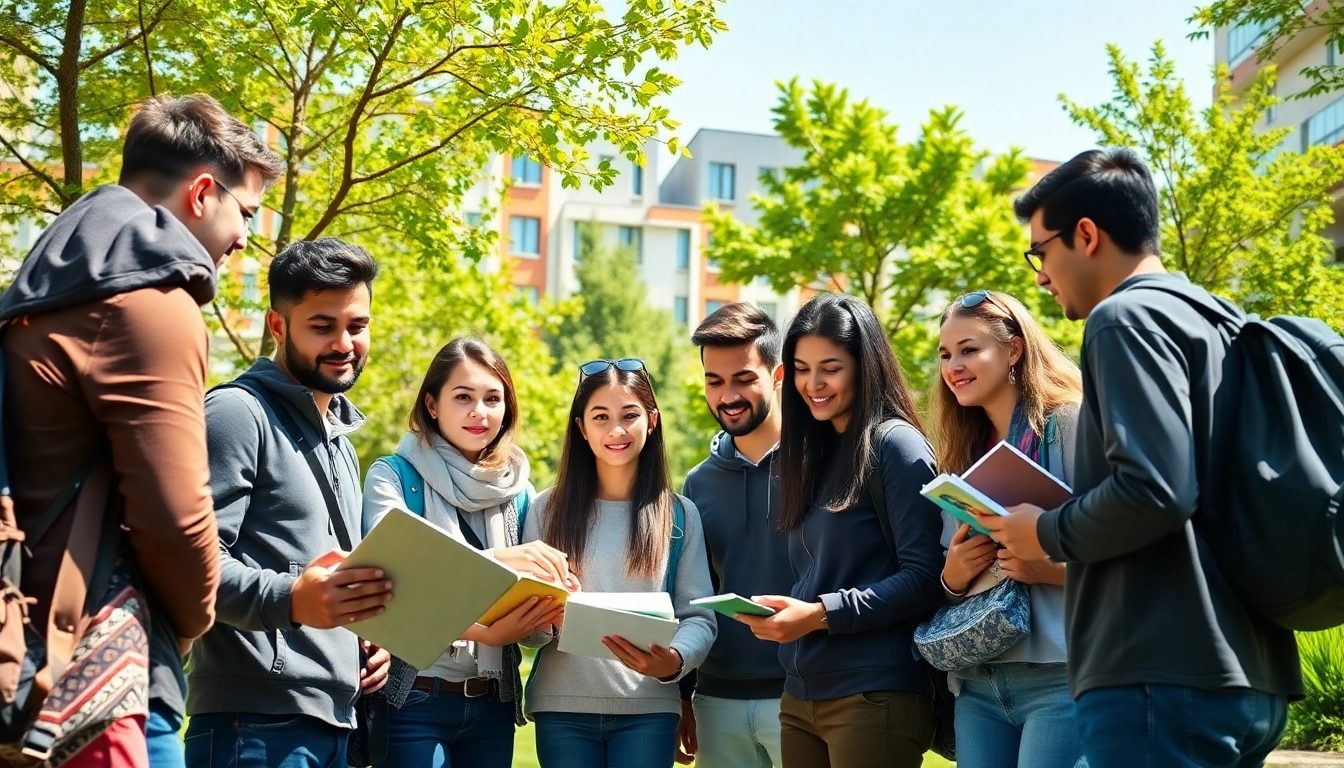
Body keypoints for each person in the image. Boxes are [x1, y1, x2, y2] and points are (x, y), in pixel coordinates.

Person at [980, 148, 1302, 768]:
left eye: (1040, 253)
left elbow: (1155, 488)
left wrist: (1041, 530)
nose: (1040, 277)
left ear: (1086, 235)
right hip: (1248, 671)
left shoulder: (1123, 318)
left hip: (1160, 675)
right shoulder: (1218, 320)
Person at [0, 94, 280, 766]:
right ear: (202, 192)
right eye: (244, 213)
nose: (244, 238)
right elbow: (177, 519)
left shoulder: (50, 285)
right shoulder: (152, 302)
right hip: (90, 672)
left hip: (22, 647)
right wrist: (190, 624)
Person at [185, 238, 393, 768]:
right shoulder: (236, 414)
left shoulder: (343, 442)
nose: (344, 342)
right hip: (251, 727)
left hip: (337, 724)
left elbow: (326, 577)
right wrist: (294, 600)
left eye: (357, 326)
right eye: (322, 326)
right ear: (278, 326)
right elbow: (194, 567)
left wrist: (363, 641)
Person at [740, 293, 944, 768]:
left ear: (864, 365)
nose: (813, 383)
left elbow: (925, 577)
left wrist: (817, 614)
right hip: (801, 694)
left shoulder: (897, 447)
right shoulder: (813, 452)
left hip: (875, 695)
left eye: (830, 367)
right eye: (801, 368)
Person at [361, 337, 574, 768]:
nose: (480, 411)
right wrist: (500, 570)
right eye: (463, 397)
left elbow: (530, 633)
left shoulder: (518, 495)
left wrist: (552, 605)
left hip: (492, 706)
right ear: (432, 404)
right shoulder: (393, 477)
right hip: (413, 700)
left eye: (493, 398)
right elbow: (393, 586)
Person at [522, 358, 717, 768]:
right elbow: (527, 627)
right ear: (581, 427)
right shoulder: (545, 510)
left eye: (629, 415)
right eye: (600, 417)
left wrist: (675, 661)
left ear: (652, 421)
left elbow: (699, 616)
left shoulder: (679, 515)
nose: (616, 430)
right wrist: (547, 618)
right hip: (563, 709)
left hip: (649, 709)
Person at [931, 289, 1084, 768]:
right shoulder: (962, 452)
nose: (953, 365)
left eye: (969, 349)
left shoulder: (1071, 425)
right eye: (945, 354)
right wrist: (951, 576)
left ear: (1014, 349)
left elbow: (1128, 560)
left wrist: (1049, 569)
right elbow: (952, 581)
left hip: (1061, 679)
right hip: (978, 683)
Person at [677, 303, 791, 768]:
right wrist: (683, 695)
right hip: (716, 701)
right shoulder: (697, 484)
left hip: (803, 697)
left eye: (744, 378)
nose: (728, 395)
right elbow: (688, 597)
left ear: (777, 374)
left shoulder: (822, 468)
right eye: (714, 381)